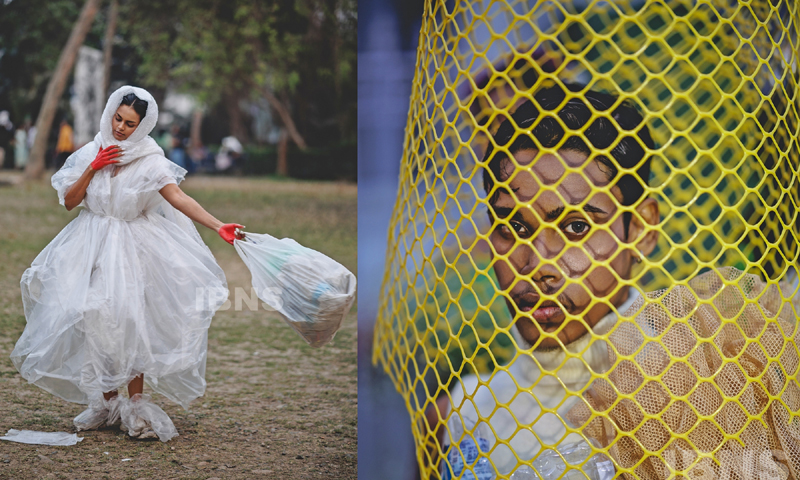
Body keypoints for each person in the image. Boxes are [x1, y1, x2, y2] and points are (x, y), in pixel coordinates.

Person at [434, 84, 660, 479]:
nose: (538, 265)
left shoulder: (697, 395)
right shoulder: (461, 412)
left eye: (576, 226)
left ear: (640, 229)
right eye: (513, 227)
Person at [10, 86, 245, 442]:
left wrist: (218, 225)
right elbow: (70, 202)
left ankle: (135, 404)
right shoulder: (93, 149)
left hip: (133, 247)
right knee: (95, 318)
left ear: (143, 125)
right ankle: (106, 402)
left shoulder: (150, 159)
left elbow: (178, 196)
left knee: (131, 320)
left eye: (130, 123)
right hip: (90, 244)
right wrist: (93, 167)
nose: (120, 127)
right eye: (118, 118)